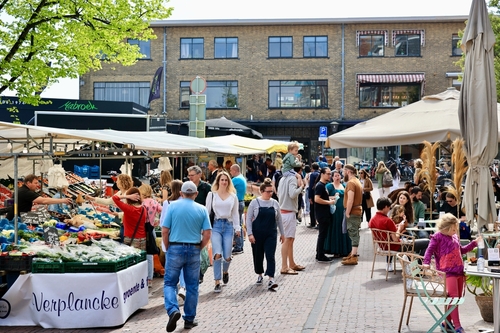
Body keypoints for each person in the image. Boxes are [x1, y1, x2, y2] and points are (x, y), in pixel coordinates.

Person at [162, 181, 212, 332]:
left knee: (170, 283)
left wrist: (168, 246)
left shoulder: (172, 207)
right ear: (196, 194)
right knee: (192, 286)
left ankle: (172, 310)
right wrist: (199, 247)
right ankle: (189, 319)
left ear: (181, 194)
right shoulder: (202, 209)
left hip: (175, 246)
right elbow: (207, 233)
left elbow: (165, 230)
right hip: (193, 248)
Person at [423, 213, 480, 333]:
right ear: (446, 228)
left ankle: (446, 323)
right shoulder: (437, 237)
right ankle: (458, 326)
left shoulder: (454, 236)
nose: (455, 231)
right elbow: (429, 251)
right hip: (447, 272)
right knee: (454, 298)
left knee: (456, 299)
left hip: (458, 270)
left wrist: (474, 243)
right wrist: (426, 262)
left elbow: (462, 250)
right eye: (453, 229)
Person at [369, 198, 430, 272]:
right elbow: (395, 239)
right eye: (389, 208)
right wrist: (399, 229)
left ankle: (414, 269)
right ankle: (418, 268)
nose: (389, 210)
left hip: (383, 246)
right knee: (427, 242)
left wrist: (396, 227)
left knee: (409, 246)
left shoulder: (372, 220)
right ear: (385, 207)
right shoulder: (387, 221)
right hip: (395, 246)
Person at [206, 171, 241, 293]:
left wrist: (238, 228)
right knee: (217, 254)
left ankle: (225, 271)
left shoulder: (233, 196)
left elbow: (236, 213)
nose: (224, 182)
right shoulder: (212, 195)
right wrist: (205, 228)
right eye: (222, 180)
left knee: (227, 256)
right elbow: (207, 212)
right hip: (216, 225)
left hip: (228, 226)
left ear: (229, 182)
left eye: (226, 180)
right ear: (218, 181)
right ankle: (217, 281)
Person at [246, 179, 285, 290]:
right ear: (262, 191)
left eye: (271, 191)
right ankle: (259, 274)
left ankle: (271, 278)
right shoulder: (255, 203)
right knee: (258, 255)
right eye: (268, 191)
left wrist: (282, 233)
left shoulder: (274, 203)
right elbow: (248, 219)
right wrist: (250, 234)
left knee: (270, 255)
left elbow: (279, 220)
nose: (270, 193)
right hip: (257, 234)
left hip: (271, 234)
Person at [160, 180, 187, 300]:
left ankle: (172, 291)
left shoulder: (168, 202)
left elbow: (163, 222)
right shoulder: (186, 202)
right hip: (183, 236)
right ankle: (182, 287)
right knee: (182, 265)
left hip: (170, 237)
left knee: (170, 266)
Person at [278, 166, 305, 275]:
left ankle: (291, 263)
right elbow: (292, 193)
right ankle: (284, 266)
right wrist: (301, 187)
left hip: (284, 211)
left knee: (290, 240)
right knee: (287, 240)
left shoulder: (282, 178)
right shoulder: (292, 178)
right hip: (288, 212)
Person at [6, 174, 72, 220]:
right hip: (15, 219)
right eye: (35, 183)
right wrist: (63, 200)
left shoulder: (24, 190)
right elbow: (44, 200)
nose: (37, 185)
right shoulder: (25, 192)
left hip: (18, 216)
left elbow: (42, 200)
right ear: (28, 183)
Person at [139, 183, 162, 287]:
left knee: (141, 254)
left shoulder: (141, 203)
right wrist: (159, 221)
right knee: (150, 255)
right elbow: (163, 210)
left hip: (142, 229)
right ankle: (149, 279)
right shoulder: (154, 202)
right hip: (151, 229)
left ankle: (141, 277)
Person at [325, 170, 352, 257]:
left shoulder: (344, 185)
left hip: (343, 211)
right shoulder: (329, 186)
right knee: (336, 229)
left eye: (338, 175)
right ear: (332, 177)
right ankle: (335, 250)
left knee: (343, 229)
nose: (337, 177)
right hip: (334, 211)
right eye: (335, 176)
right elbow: (324, 197)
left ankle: (344, 250)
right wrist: (333, 197)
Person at [341, 164, 363, 266]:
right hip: (357, 209)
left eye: (344, 171)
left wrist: (347, 212)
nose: (343, 173)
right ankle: (353, 254)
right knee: (354, 232)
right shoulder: (357, 181)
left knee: (353, 232)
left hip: (353, 210)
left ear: (348, 172)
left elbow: (350, 199)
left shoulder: (351, 183)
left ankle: (353, 256)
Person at [314, 167, 337, 263]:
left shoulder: (323, 185)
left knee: (323, 234)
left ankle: (319, 252)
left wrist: (331, 198)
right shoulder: (320, 185)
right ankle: (320, 254)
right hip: (322, 213)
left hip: (324, 213)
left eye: (330, 174)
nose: (329, 176)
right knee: (322, 234)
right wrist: (329, 202)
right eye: (328, 174)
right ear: (322, 174)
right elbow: (317, 199)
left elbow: (323, 197)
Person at [230, 164, 247, 255]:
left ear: (235, 170)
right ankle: (239, 244)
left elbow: (227, 187)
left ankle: (238, 246)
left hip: (237, 203)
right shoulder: (242, 178)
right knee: (239, 223)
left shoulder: (235, 179)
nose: (230, 172)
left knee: (237, 224)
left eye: (231, 170)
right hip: (241, 201)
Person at [307, 163, 320, 228]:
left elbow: (311, 186)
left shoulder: (312, 174)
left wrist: (309, 196)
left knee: (312, 209)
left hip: (313, 194)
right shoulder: (320, 173)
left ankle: (313, 223)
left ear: (312, 168)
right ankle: (319, 223)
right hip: (320, 193)